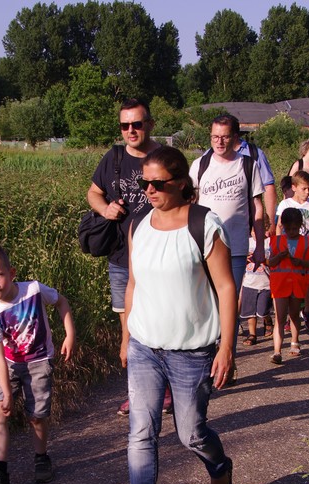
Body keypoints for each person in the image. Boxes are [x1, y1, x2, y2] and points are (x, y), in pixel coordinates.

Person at [116, 146, 237, 484]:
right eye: (143, 183)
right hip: (145, 347)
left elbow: (226, 287)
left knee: (191, 434)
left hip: (192, 351)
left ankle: (219, 468)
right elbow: (133, 284)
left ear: (181, 182)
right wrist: (126, 336)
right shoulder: (138, 224)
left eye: (158, 183)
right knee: (140, 433)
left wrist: (227, 348)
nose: (149, 190)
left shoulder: (204, 224)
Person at [86, 99, 170, 417]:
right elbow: (93, 192)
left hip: (159, 256)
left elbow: (184, 197)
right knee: (129, 327)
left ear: (150, 124)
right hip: (121, 256)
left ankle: (164, 388)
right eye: (125, 125)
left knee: (160, 320)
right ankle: (137, 392)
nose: (131, 130)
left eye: (137, 124)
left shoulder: (164, 157)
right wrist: (105, 208)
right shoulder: (114, 158)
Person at [0, 244, 76, 484]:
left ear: (11, 273)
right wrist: (7, 394)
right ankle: (0, 472)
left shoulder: (34, 290)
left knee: (36, 416)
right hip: (9, 365)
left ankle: (41, 458)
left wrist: (69, 335)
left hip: (39, 361)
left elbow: (61, 302)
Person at [191, 113, 266, 384]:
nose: (219, 142)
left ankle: (227, 362)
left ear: (235, 138)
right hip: (203, 247)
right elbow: (189, 203)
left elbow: (257, 207)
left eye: (224, 137)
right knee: (202, 305)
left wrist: (259, 245)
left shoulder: (247, 165)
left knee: (229, 307)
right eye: (214, 137)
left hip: (235, 247)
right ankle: (204, 363)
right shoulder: (200, 165)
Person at [275, 171, 309, 332]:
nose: (307, 192)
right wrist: (279, 245)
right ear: (294, 187)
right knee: (292, 283)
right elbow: (279, 226)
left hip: (308, 246)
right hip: (290, 248)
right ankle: (292, 316)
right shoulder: (285, 204)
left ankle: (307, 311)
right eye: (304, 188)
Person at [268, 207, 309, 363]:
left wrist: (300, 262)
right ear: (283, 226)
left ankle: (295, 341)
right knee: (280, 317)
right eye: (288, 229)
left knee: (294, 315)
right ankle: (277, 351)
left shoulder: (307, 242)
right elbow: (270, 262)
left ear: (300, 225)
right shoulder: (276, 241)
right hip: (280, 284)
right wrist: (279, 257)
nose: (291, 232)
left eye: (294, 229)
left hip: (297, 284)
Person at [239, 232, 272, 345]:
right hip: (249, 282)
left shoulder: (269, 242)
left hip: (265, 283)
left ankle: (267, 320)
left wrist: (263, 260)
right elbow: (238, 260)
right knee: (250, 312)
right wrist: (245, 258)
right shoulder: (246, 242)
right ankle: (252, 334)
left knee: (262, 311)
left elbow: (274, 262)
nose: (255, 233)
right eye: (253, 230)